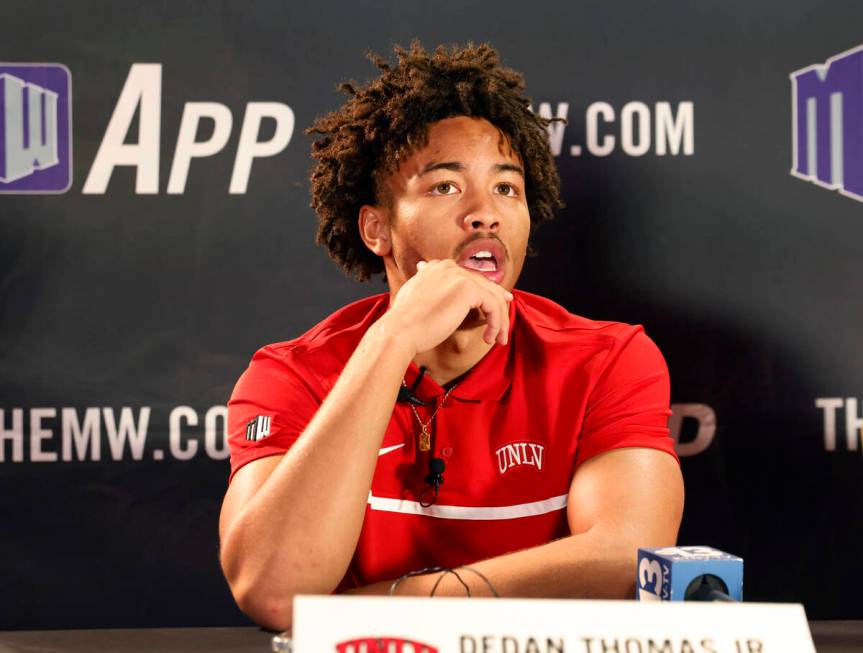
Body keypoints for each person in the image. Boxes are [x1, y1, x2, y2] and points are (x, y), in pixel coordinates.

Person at [218, 42, 684, 630]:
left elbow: (627, 559)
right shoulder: (290, 375)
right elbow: (272, 590)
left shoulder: (608, 358)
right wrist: (392, 341)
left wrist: (352, 612)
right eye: (445, 187)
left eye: (507, 189)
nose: (485, 213)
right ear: (376, 228)